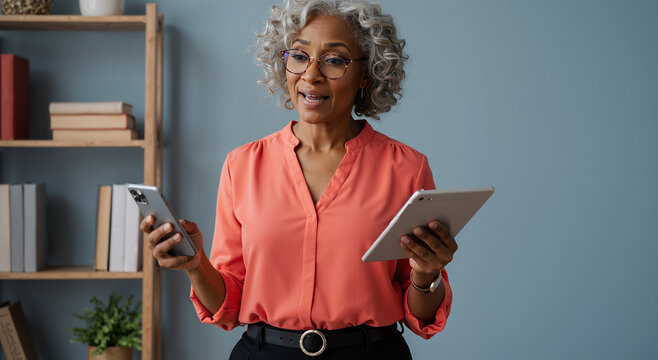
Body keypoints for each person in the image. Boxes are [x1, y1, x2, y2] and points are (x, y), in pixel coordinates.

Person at [140, 0, 458, 358]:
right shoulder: (242, 165)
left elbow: (421, 315)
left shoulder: (407, 168)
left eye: (334, 60)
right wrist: (196, 264)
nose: (311, 75)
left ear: (366, 73)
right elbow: (228, 304)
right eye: (299, 56)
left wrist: (426, 273)